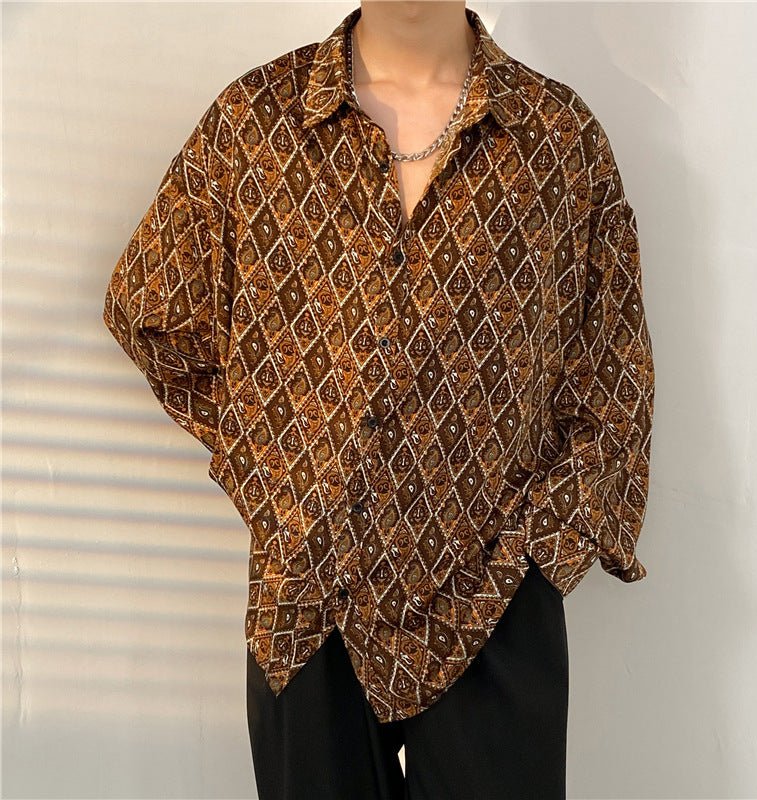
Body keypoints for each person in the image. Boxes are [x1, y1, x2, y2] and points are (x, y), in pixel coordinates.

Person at [102, 2, 656, 798]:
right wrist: (279, 471)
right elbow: (150, 308)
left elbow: (614, 374)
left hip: (493, 588)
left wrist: (541, 555)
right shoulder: (256, 124)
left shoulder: (557, 139)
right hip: (307, 597)